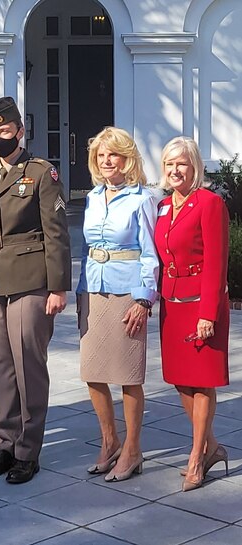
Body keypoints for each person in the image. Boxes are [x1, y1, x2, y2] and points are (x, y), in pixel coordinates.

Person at [0, 97, 72, 484]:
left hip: (32, 279)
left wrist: (58, 287)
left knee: (29, 365)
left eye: (5, 131)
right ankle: (5, 443)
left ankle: (28, 450)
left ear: (20, 131)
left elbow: (56, 233)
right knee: (0, 367)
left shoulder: (41, 173)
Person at [77, 127, 158, 483]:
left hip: (128, 293)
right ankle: (109, 441)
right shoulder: (93, 197)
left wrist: (144, 299)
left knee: (127, 375)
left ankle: (133, 449)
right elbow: (85, 249)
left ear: (128, 160)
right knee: (92, 373)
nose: (107, 161)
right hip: (93, 290)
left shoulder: (143, 200)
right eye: (101, 155)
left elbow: (151, 253)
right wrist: (80, 292)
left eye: (114, 155)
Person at [154, 136, 230, 492]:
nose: (175, 170)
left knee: (202, 381)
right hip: (172, 303)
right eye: (169, 164)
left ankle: (197, 455)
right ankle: (213, 446)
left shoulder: (210, 203)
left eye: (181, 164)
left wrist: (208, 313)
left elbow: (216, 261)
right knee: (180, 379)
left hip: (201, 304)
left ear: (195, 166)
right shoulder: (164, 206)